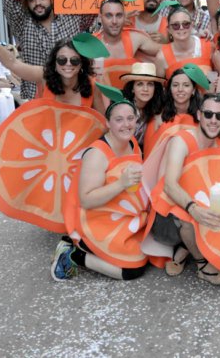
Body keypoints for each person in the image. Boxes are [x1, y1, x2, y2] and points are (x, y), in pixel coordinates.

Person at [148, 93, 220, 285]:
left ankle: (184, 250)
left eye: (219, 116)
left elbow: (219, 186)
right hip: (166, 220)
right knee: (190, 220)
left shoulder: (218, 145)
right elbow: (169, 185)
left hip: (197, 207)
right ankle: (202, 266)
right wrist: (194, 209)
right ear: (199, 115)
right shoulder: (181, 141)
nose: (213, 120)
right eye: (208, 114)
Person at [52, 99, 149, 281]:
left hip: (123, 215)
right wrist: (121, 183)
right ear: (108, 123)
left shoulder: (132, 142)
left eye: (130, 118)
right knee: (131, 271)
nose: (126, 125)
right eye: (119, 119)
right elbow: (87, 200)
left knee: (148, 253)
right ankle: (74, 254)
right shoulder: (97, 154)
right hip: (96, 219)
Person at [3, 0, 97, 100]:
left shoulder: (72, 17)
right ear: (27, 3)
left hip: (72, 94)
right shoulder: (22, 23)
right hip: (38, 97)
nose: (37, 3)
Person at [0, 35, 104, 113]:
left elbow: (101, 123)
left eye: (74, 60)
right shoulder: (45, 76)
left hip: (80, 146)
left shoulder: (92, 85)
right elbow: (14, 64)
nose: (68, 64)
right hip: (47, 146)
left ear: (81, 64)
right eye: (62, 60)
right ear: (55, 62)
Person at [94, 0, 161, 88]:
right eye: (109, 16)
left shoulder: (135, 38)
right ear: (100, 18)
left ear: (124, 17)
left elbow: (168, 52)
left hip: (132, 98)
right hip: (103, 99)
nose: (114, 21)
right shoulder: (91, 44)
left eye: (119, 15)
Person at [142, 65, 205, 157]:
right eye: (175, 85)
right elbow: (149, 153)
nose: (180, 89)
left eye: (186, 85)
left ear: (193, 91)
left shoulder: (201, 118)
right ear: (170, 90)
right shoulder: (158, 119)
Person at [155, 6, 213, 79]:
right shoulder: (162, 56)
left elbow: (218, 75)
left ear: (192, 25)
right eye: (176, 25)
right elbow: (160, 87)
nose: (181, 28)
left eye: (186, 24)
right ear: (169, 29)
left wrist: (210, 82)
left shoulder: (208, 46)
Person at [120, 62, 165, 152]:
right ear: (132, 88)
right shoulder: (123, 107)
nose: (145, 89)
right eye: (140, 84)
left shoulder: (156, 107)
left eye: (150, 84)